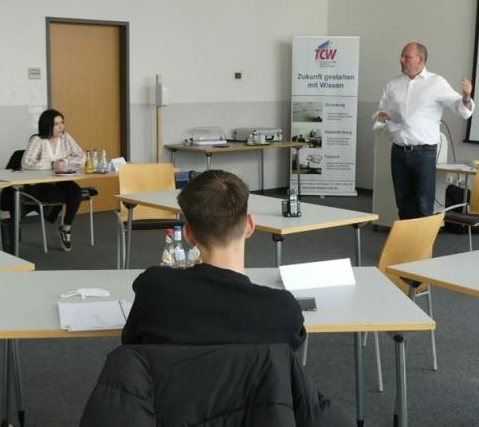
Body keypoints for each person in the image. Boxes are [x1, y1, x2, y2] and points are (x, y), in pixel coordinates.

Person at [118, 170, 345, 426]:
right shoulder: (281, 310)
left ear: (189, 234)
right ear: (249, 225)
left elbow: (131, 344)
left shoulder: (155, 289)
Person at [374, 42, 473, 220]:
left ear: (421, 60)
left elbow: (461, 109)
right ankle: (406, 246)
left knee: (423, 204)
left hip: (424, 153)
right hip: (398, 151)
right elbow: (381, 111)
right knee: (403, 203)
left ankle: (422, 248)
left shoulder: (436, 83)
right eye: (401, 56)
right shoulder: (393, 85)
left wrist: (466, 97)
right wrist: (381, 117)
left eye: (406, 57)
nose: (401, 60)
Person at [20, 109, 88, 251]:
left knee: (76, 192)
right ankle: (37, 209)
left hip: (61, 180)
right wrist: (52, 165)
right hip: (39, 184)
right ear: (47, 125)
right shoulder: (37, 140)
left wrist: (65, 162)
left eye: (62, 123)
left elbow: (82, 157)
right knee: (61, 196)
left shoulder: (65, 138)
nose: (61, 127)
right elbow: (26, 163)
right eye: (56, 124)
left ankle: (66, 228)